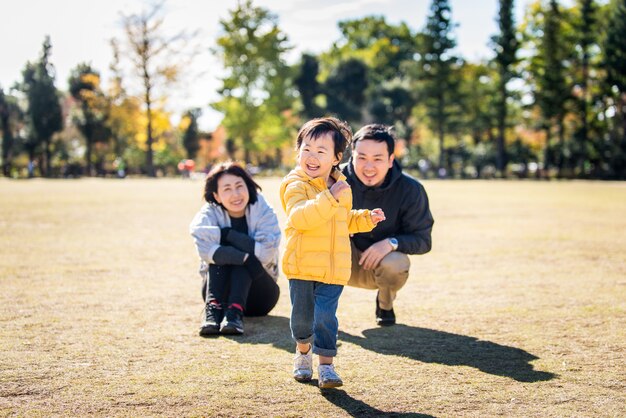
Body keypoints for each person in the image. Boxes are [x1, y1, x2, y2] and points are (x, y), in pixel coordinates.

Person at [280, 117, 385, 389]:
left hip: (333, 268)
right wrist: (330, 197)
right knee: (303, 320)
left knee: (326, 318)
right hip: (302, 266)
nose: (312, 157)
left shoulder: (341, 186)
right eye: (306, 149)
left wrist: (364, 219)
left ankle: (326, 366)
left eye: (321, 151)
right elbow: (301, 218)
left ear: (337, 158)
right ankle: (303, 354)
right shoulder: (296, 185)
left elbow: (342, 220)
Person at [341, 124, 434, 326]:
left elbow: (423, 240)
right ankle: (318, 311)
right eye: (362, 157)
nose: (369, 167)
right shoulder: (334, 181)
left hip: (379, 265)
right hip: (338, 259)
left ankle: (385, 304)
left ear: (391, 160)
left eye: (378, 159)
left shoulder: (411, 190)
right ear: (352, 156)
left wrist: (390, 243)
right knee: (312, 245)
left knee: (396, 262)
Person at [189, 162, 281, 336]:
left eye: (239, 186)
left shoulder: (263, 210)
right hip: (218, 291)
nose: (235, 194)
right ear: (216, 196)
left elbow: (266, 253)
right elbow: (204, 248)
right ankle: (213, 313)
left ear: (248, 186)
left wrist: (228, 234)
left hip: (260, 296)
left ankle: (234, 314)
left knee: (236, 256)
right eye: (227, 189)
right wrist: (243, 255)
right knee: (226, 256)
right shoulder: (209, 212)